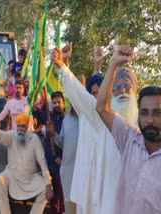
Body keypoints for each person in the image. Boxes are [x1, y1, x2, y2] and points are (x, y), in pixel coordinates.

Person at [51, 44, 138, 214]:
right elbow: (79, 93)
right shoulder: (102, 116)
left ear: (135, 90)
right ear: (111, 92)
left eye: (128, 87)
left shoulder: (143, 121)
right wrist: (62, 67)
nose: (123, 92)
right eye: (118, 87)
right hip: (101, 195)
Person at [96, 46, 161, 214]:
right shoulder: (129, 139)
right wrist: (113, 64)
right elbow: (102, 108)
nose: (150, 120)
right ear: (139, 115)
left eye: (157, 113)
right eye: (145, 113)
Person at [0, 113, 54, 214]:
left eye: (23, 126)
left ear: (27, 126)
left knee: (47, 188)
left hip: (30, 179)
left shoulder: (34, 138)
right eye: (19, 126)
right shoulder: (11, 135)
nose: (20, 129)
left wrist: (48, 184)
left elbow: (42, 161)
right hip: (12, 175)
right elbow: (1, 137)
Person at [35, 91, 66, 214]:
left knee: (62, 195)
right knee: (52, 197)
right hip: (50, 164)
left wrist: (61, 157)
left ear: (63, 103)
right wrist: (34, 97)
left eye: (59, 102)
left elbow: (69, 143)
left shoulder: (68, 119)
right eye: (54, 103)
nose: (56, 105)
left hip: (62, 164)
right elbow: (35, 112)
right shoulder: (49, 116)